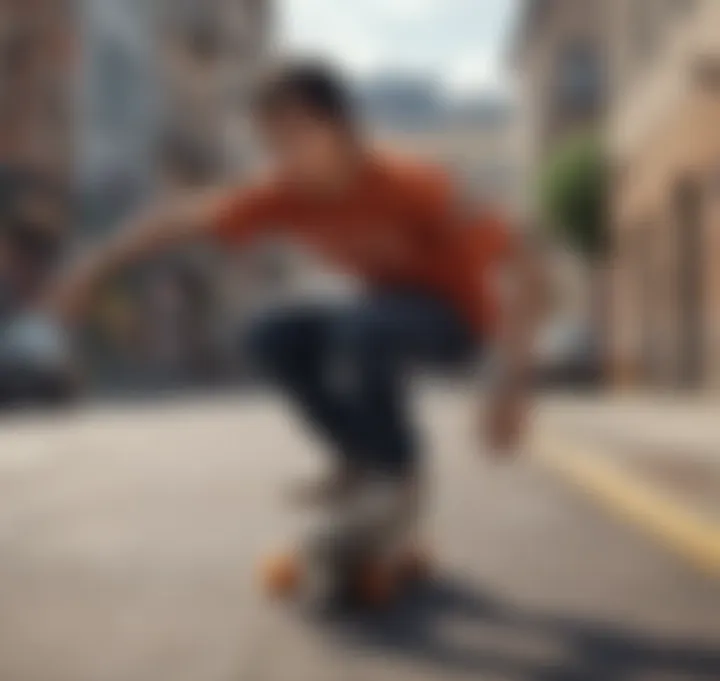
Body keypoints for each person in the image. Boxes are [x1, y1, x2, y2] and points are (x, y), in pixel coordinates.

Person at [46, 60, 545, 506]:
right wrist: (95, 264)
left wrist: (510, 383)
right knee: (271, 333)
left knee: (364, 328)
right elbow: (183, 219)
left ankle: (396, 476)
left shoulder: (418, 185)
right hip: (381, 316)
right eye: (272, 142)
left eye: (297, 135)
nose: (284, 155)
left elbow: (525, 259)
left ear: (343, 129)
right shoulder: (282, 194)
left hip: (456, 322)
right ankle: (356, 461)